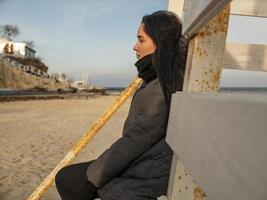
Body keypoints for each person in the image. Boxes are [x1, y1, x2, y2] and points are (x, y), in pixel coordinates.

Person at [55, 10, 188, 200]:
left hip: (148, 169)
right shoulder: (160, 77)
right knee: (69, 177)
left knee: (69, 180)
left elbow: (135, 140)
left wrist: (95, 176)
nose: (135, 47)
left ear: (161, 42)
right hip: (146, 161)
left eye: (141, 40)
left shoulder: (161, 85)